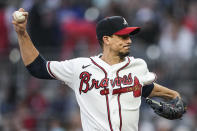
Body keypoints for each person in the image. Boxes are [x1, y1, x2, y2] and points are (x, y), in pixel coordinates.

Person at [12, 8, 183, 131]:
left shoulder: (138, 65)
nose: (129, 40)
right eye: (123, 36)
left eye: (129, 35)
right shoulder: (80, 67)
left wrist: (174, 95)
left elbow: (144, 88)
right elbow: (38, 68)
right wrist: (22, 34)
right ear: (106, 39)